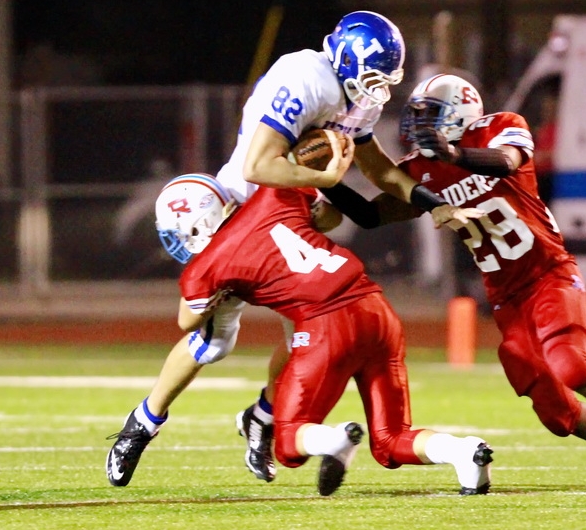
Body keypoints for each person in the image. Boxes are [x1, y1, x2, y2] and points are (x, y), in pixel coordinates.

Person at [105, 10, 483, 486]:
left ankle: (262, 417)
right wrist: (324, 177)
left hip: (295, 202)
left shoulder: (354, 94)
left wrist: (434, 206)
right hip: (242, 208)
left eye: (386, 82)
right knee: (213, 340)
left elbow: (379, 169)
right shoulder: (306, 78)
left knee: (304, 331)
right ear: (344, 59)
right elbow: (260, 166)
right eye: (371, 78)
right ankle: (140, 426)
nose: (378, 92)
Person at [316, 73, 586, 491]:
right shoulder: (422, 170)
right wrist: (322, 179)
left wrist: (454, 154)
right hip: (506, 298)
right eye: (415, 117)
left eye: (429, 116)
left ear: (461, 112)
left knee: (569, 363)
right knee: (556, 415)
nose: (418, 128)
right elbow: (370, 215)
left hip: (549, 275)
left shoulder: (499, 127)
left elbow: (508, 160)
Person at [108, 172, 494, 496]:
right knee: (391, 439)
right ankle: (465, 453)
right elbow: (323, 214)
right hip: (376, 309)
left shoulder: (205, 267)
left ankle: (337, 439)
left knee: (289, 443)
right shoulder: (271, 193)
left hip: (328, 325)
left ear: (196, 223)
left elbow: (186, 322)